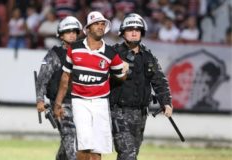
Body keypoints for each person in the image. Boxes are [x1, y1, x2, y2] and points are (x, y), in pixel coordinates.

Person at [54, 11, 128, 160]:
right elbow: (65, 77)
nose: (100, 27)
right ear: (88, 28)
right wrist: (58, 102)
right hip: (80, 101)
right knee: (84, 145)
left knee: (97, 148)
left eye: (102, 24)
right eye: (96, 24)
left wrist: (123, 70)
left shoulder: (110, 53)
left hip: (101, 102)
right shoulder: (74, 48)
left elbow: (121, 77)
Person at [110, 13, 173, 160]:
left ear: (142, 33)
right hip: (118, 112)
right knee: (128, 154)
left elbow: (159, 81)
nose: (134, 32)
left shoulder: (148, 56)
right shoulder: (113, 53)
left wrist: (166, 102)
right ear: (123, 32)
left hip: (141, 113)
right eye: (130, 29)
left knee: (131, 154)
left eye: (137, 29)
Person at [36, 16, 82, 160]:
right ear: (61, 35)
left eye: (74, 31)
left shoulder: (83, 53)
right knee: (70, 137)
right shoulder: (54, 55)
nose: (72, 34)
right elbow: (42, 79)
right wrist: (40, 100)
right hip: (60, 105)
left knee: (75, 139)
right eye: (68, 32)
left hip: (81, 103)